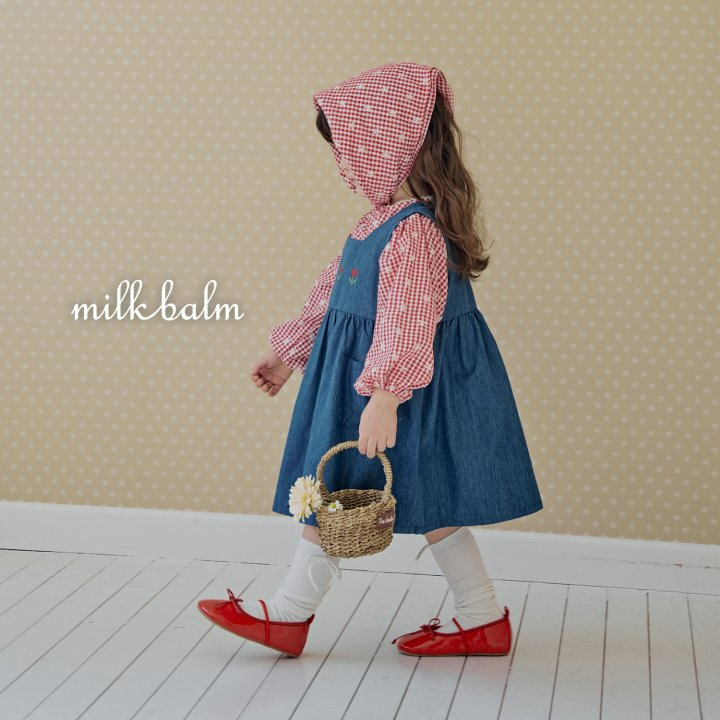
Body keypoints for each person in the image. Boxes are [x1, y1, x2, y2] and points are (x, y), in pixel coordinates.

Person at [197, 62, 543, 658]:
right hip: (367, 380)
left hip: (396, 391)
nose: (343, 165)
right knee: (424, 499)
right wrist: (288, 352)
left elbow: (408, 321)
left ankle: (290, 614)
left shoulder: (414, 233)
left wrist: (384, 397)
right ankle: (481, 616)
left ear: (387, 147)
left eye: (349, 150)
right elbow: (333, 297)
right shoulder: (379, 223)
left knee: (340, 487)